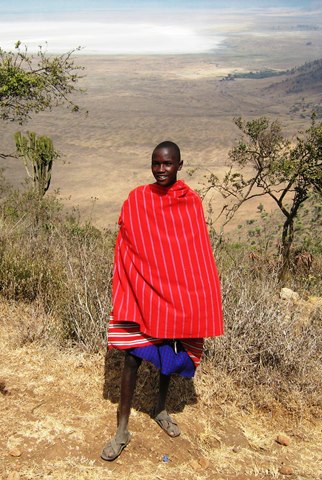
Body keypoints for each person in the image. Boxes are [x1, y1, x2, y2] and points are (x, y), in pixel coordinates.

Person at [100, 141, 224, 461]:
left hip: (174, 298)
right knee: (131, 358)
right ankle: (122, 430)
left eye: (167, 164)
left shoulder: (190, 203)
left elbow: (195, 255)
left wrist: (196, 295)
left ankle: (160, 408)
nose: (160, 169)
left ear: (180, 165)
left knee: (168, 354)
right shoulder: (138, 198)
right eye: (155, 163)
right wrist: (133, 284)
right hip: (143, 295)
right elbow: (127, 242)